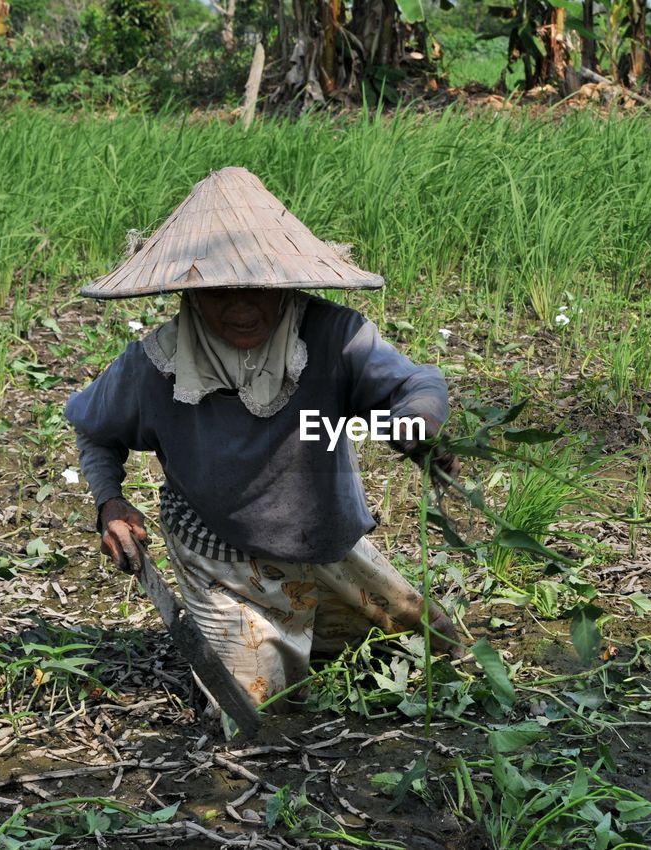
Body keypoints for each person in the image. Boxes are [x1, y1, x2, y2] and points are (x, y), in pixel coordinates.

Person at [64, 167, 464, 712]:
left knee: (435, 646)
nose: (242, 307)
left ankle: (315, 627)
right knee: (249, 705)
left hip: (322, 539)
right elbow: (94, 430)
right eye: (219, 291)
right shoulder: (154, 366)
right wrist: (109, 500)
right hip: (218, 554)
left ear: (283, 280)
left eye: (257, 286)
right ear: (187, 290)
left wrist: (419, 424)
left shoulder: (332, 337)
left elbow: (415, 382)